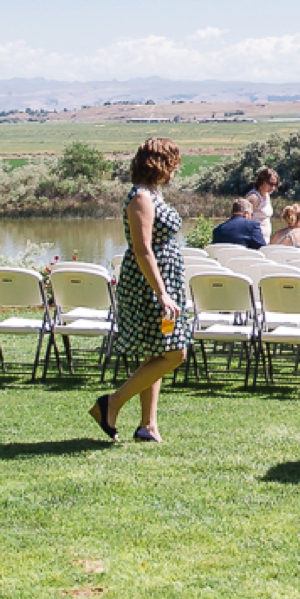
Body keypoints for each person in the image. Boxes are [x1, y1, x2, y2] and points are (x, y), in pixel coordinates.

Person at [90, 139, 191, 444]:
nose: (176, 169)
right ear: (161, 163)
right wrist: (162, 293)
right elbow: (142, 248)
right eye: (173, 162)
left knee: (156, 352)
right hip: (149, 284)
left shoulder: (153, 194)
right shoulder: (141, 198)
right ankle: (112, 403)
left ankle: (148, 425)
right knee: (175, 352)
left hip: (164, 280)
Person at [245, 167, 280, 236]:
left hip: (265, 239)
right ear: (262, 181)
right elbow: (244, 219)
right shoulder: (254, 198)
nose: (273, 188)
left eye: (275, 185)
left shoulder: (266, 195)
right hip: (254, 238)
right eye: (270, 184)